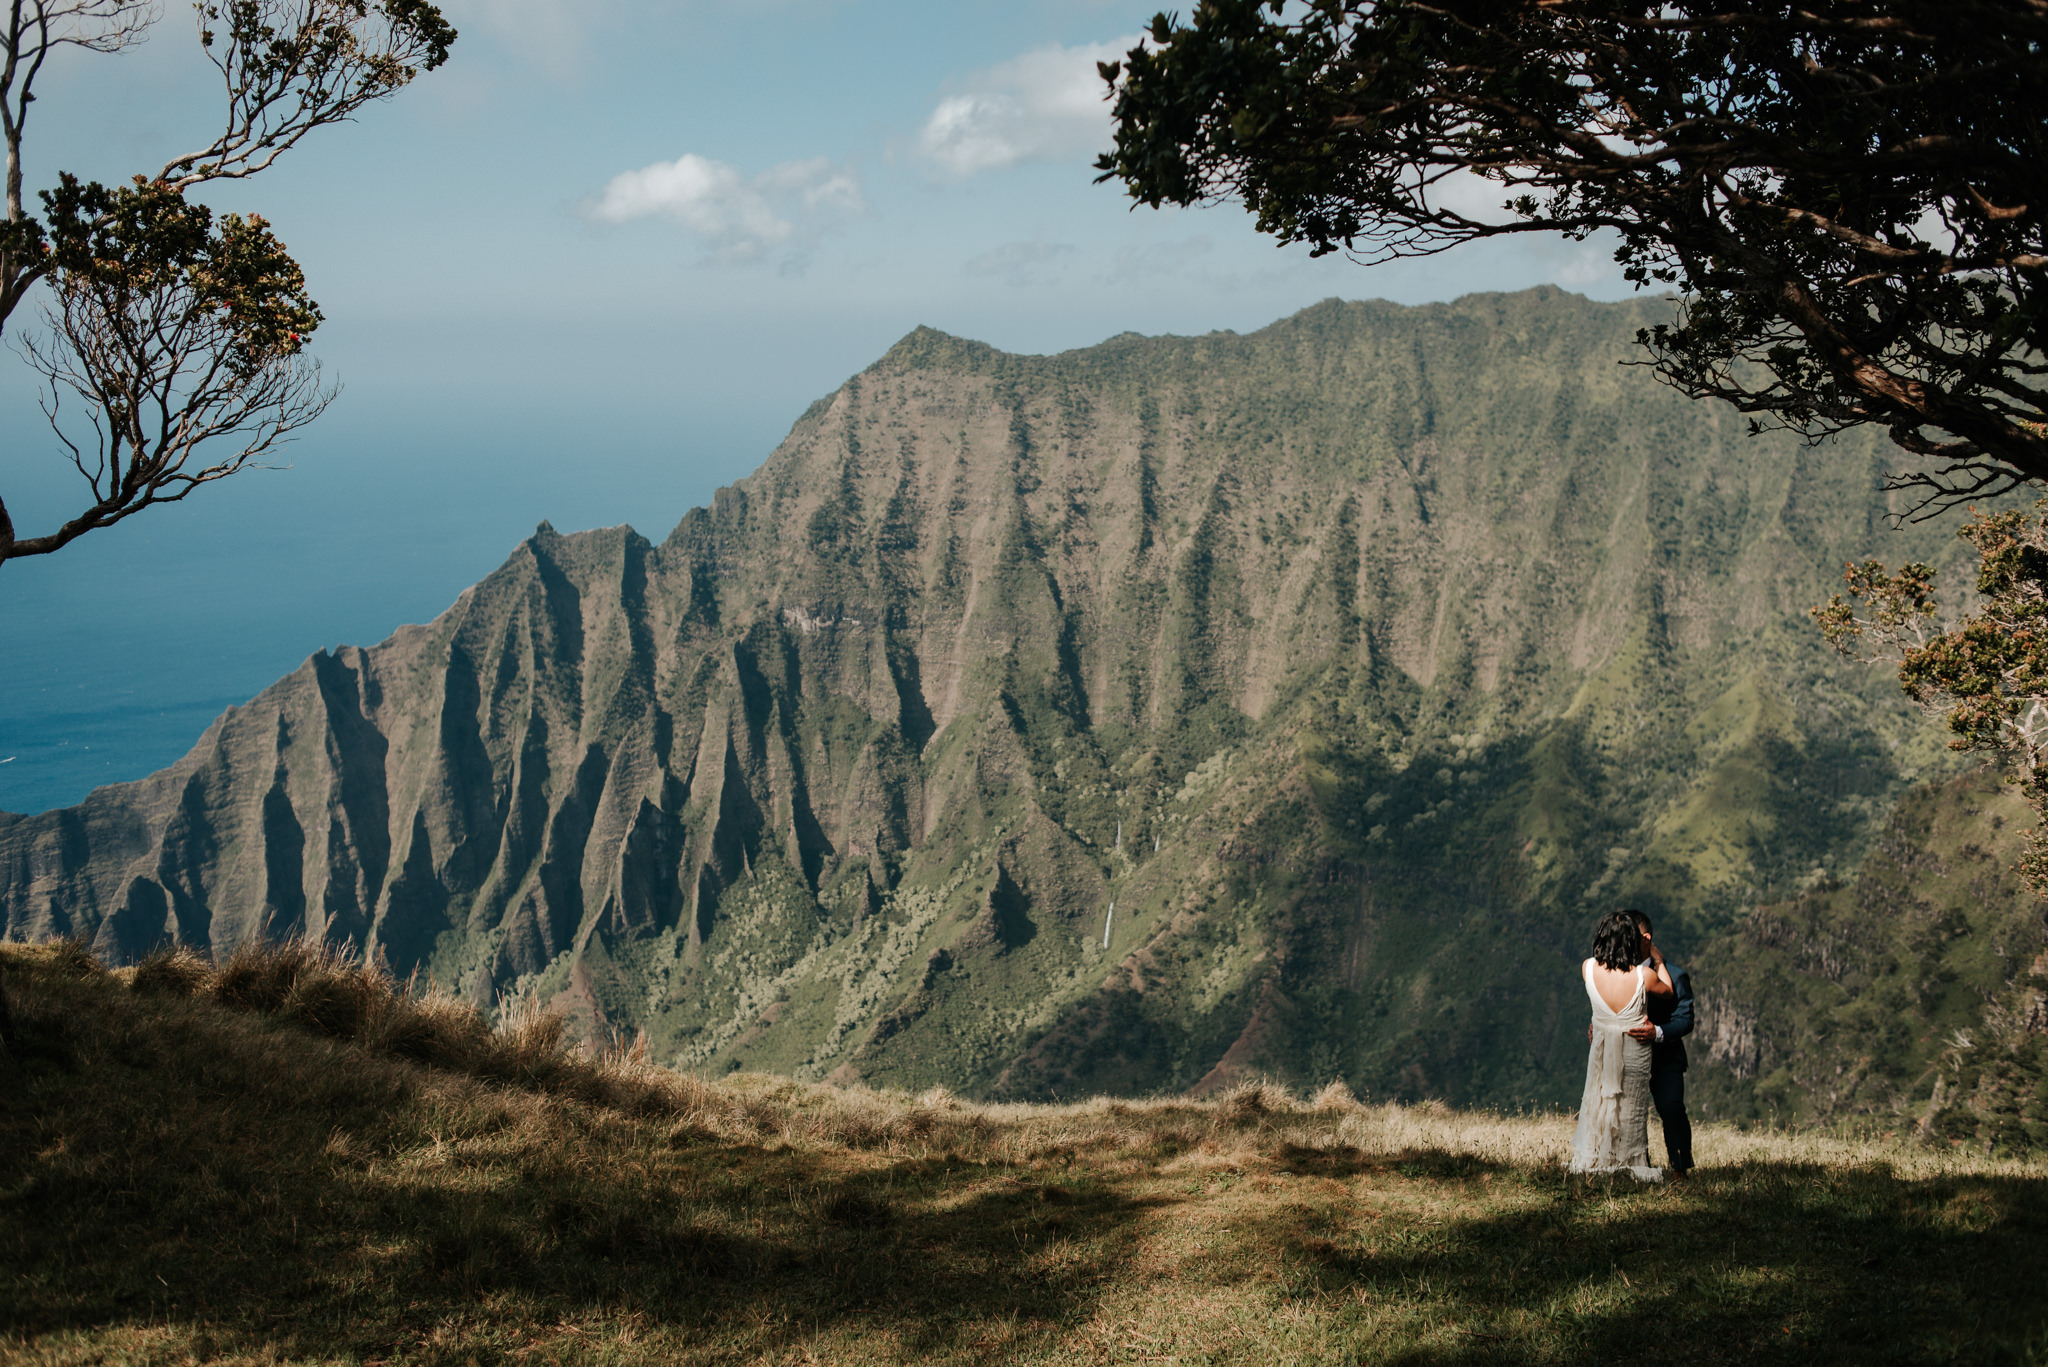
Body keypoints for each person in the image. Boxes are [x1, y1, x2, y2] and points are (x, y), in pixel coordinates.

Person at [1569, 908, 1674, 1179]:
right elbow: (1668, 991)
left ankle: (1594, 1158)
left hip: (1602, 1048)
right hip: (1634, 1049)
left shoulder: (1588, 968)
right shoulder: (1644, 977)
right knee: (1630, 1109)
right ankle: (1630, 1161)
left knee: (1598, 1100)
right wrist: (1658, 961)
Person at [1628, 909, 1695, 1176]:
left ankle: (1680, 1167)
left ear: (1646, 938)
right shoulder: (1620, 974)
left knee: (1671, 1108)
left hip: (1665, 1057)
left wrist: (1656, 1032)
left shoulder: (1676, 975)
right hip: (1628, 1055)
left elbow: (1685, 1020)